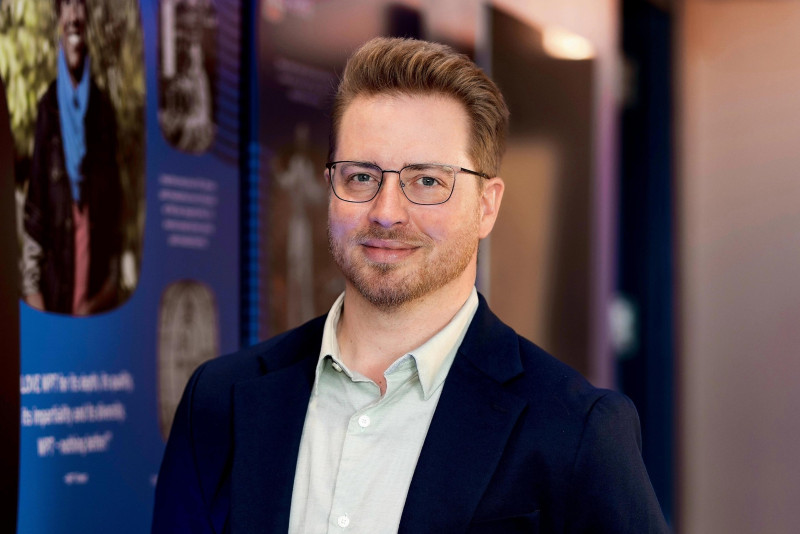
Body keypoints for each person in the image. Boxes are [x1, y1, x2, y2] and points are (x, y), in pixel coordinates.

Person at [152, 37, 669, 533]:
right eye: (360, 177)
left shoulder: (578, 431)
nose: (386, 213)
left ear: (486, 205)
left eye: (426, 181)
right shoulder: (219, 401)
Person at [22, 0, 122, 315]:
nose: (75, 15)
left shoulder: (104, 112)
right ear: (59, 21)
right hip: (54, 306)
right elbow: (35, 216)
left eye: (80, 6)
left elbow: (114, 221)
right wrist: (40, 313)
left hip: (96, 311)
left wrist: (101, 301)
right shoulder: (47, 109)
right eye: (67, 5)